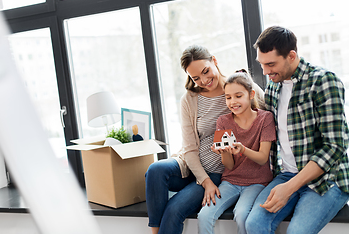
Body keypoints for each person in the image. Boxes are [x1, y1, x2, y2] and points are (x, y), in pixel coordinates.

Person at [145, 45, 265, 234]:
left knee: (174, 210)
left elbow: (266, 115)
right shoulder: (189, 99)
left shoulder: (239, 88)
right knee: (155, 170)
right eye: (196, 78)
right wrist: (205, 181)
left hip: (219, 173)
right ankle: (154, 231)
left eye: (206, 71)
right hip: (191, 167)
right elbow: (190, 148)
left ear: (214, 61)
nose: (204, 80)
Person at [245, 26, 349, 234]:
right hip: (287, 174)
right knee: (254, 224)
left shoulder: (323, 81)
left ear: (291, 56)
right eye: (262, 64)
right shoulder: (273, 86)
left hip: (327, 179)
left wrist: (290, 187)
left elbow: (335, 146)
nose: (265, 71)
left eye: (271, 64)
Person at [197, 69, 276, 234]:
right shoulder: (223, 121)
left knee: (241, 215)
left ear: (251, 94)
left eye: (238, 96)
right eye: (228, 97)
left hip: (257, 182)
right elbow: (230, 166)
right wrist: (224, 152)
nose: (233, 102)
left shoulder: (265, 118)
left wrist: (242, 149)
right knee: (204, 215)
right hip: (230, 182)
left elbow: (262, 158)